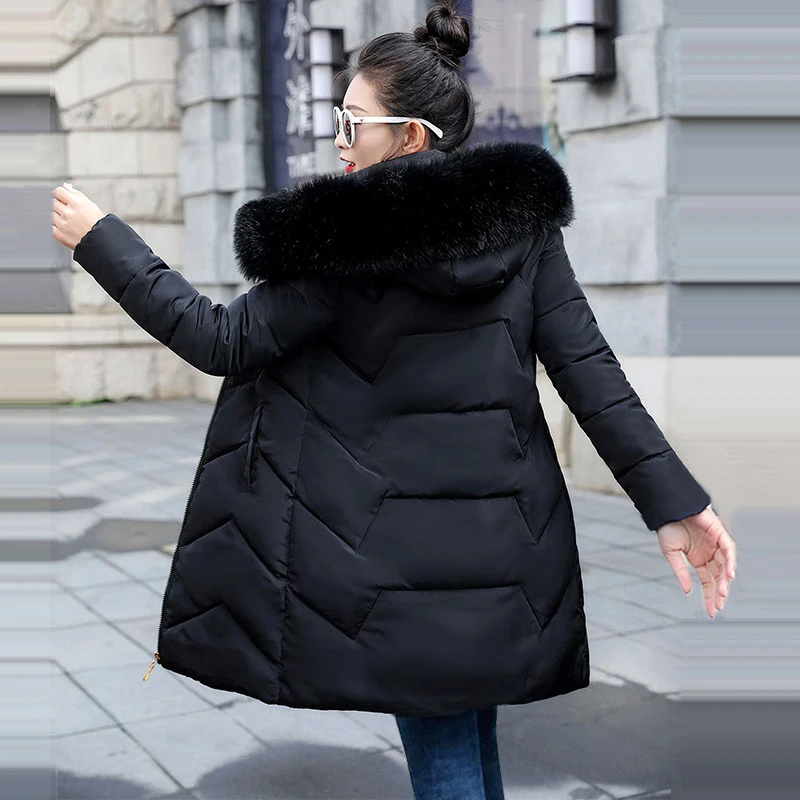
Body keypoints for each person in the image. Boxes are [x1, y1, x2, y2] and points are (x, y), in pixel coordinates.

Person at [51, 2, 736, 798]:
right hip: (504, 550)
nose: (338, 142)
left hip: (398, 567)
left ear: (409, 135)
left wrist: (103, 239)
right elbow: (591, 374)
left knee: (449, 762)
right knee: (469, 743)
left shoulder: (342, 243)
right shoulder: (524, 231)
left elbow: (219, 340)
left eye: (353, 123)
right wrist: (673, 503)